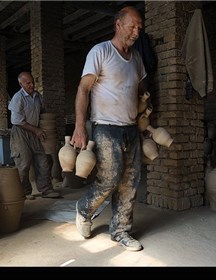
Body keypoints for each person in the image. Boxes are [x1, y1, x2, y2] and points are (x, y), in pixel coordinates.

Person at [71, 6, 147, 251]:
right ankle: (84, 209)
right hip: (105, 127)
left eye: (140, 28)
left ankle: (121, 231)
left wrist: (146, 107)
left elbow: (140, 89)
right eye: (132, 26)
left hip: (131, 128)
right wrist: (80, 126)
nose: (137, 32)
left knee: (130, 181)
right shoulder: (100, 52)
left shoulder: (136, 58)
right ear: (118, 24)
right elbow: (83, 90)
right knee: (109, 179)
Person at [8, 71, 60, 199]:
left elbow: (43, 113)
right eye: (28, 83)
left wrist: (45, 127)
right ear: (21, 84)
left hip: (35, 130)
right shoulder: (18, 98)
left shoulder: (37, 96)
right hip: (21, 132)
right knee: (23, 162)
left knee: (43, 161)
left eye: (32, 82)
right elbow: (16, 121)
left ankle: (46, 189)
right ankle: (23, 192)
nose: (31, 85)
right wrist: (36, 130)